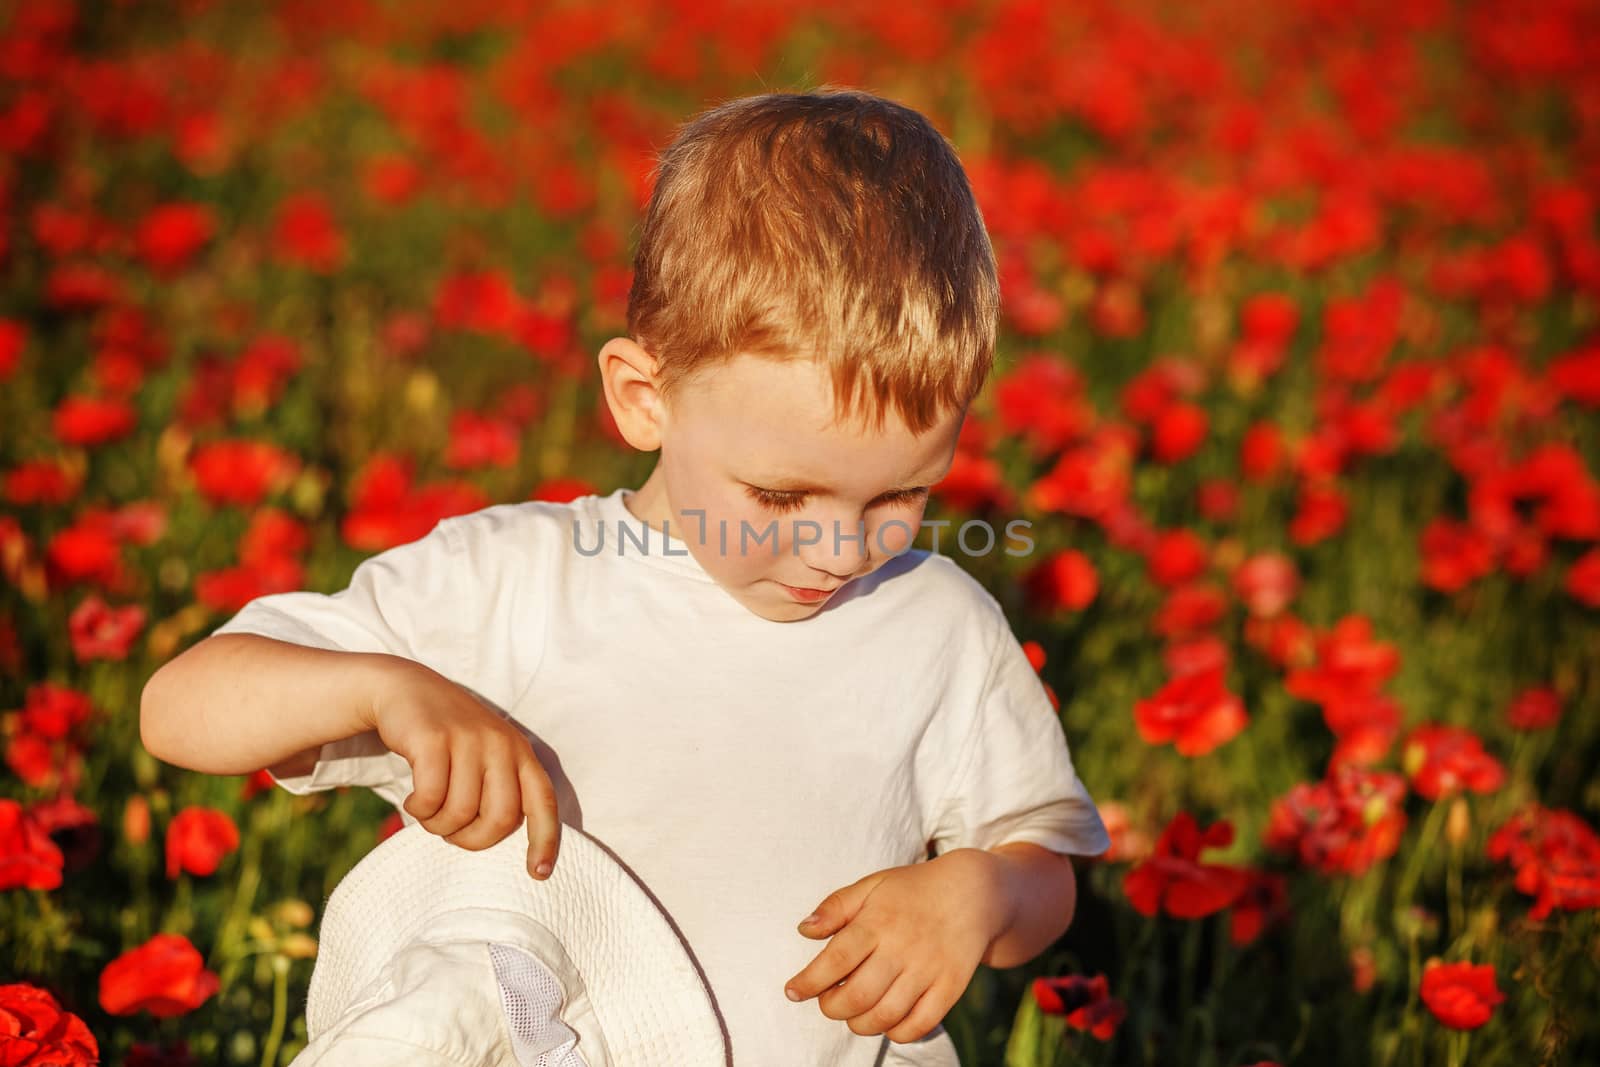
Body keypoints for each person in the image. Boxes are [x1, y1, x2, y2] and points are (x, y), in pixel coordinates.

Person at [140, 87, 1110, 1067]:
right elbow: (178, 706)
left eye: (903, 493)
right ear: (644, 399)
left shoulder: (935, 624)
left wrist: (980, 892)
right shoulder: (523, 581)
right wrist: (383, 688)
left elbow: (1044, 855)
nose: (842, 548)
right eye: (779, 496)